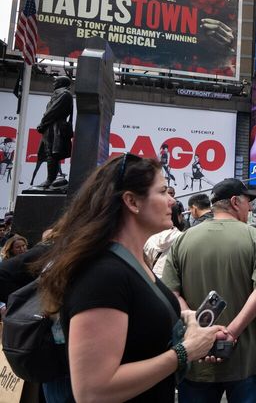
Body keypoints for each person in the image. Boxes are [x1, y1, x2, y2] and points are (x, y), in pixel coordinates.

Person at [36, 154, 220, 402]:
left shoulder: (132, 261)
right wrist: (185, 352)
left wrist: (187, 320)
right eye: (163, 191)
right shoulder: (103, 274)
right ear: (132, 201)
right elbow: (93, 391)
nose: (172, 201)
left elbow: (139, 322)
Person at [163, 178, 256, 402]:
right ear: (235, 201)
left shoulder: (182, 240)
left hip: (196, 359)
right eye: (247, 201)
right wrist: (230, 333)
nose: (251, 207)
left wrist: (198, 330)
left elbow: (171, 294)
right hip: (248, 360)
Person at [35, 76, 73, 189]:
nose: (53, 84)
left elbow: (53, 111)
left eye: (56, 81)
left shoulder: (64, 94)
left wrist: (42, 123)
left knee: (52, 153)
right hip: (51, 126)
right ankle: (50, 179)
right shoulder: (59, 94)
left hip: (55, 127)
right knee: (50, 153)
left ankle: (50, 179)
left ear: (61, 83)